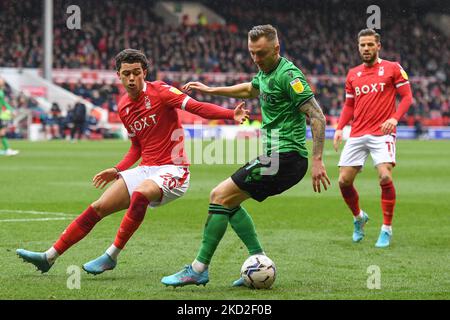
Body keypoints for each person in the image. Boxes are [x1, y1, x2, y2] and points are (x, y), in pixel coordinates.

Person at [16, 49, 249, 275]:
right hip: (146, 169)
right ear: (118, 75)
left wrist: (231, 114)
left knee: (140, 194)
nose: (131, 78)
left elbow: (197, 107)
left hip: (174, 169)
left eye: (136, 72)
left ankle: (111, 256)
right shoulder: (123, 106)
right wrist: (117, 169)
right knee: (99, 207)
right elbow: (137, 146)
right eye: (126, 73)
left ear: (144, 72)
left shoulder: (162, 91)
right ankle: (49, 257)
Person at [162, 25, 330, 287]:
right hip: (276, 157)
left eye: (261, 53)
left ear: (276, 48)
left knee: (218, 195)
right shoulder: (264, 72)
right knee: (227, 202)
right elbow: (249, 90)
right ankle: (258, 262)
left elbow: (317, 115)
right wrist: (211, 90)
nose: (256, 59)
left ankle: (198, 269)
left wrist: (318, 159)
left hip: (286, 158)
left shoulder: (289, 75)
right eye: (252, 53)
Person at [333, 29, 413, 248]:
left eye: (370, 45)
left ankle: (386, 229)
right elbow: (349, 105)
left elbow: (407, 97)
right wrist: (340, 128)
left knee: (385, 177)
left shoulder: (393, 68)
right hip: (358, 132)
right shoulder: (353, 74)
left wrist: (395, 119)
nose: (366, 48)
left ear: (378, 46)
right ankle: (359, 217)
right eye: (362, 45)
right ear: (358, 47)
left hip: (382, 133)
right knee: (343, 181)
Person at [0, 78, 19, 156]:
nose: (2, 82)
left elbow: (3, 103)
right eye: (1, 81)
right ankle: (7, 149)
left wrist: (11, 110)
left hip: (1, 114)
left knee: (2, 132)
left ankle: (7, 149)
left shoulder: (1, 91)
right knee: (2, 132)